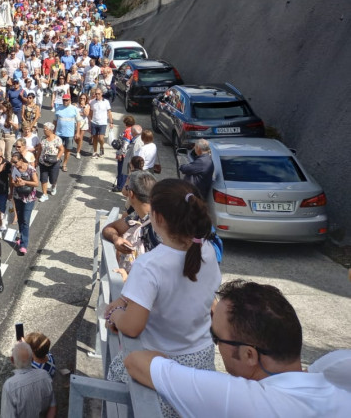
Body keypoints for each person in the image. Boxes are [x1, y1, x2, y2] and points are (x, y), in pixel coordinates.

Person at [124, 279, 351, 417]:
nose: (216, 344)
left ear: (249, 354)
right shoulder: (339, 390)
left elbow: (137, 362)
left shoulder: (240, 399)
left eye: (216, 337)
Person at [104, 179, 221, 418]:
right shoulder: (206, 249)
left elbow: (133, 327)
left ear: (156, 218)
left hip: (161, 366)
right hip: (201, 362)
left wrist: (115, 314)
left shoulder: (149, 265)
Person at [101, 171, 157, 275]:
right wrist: (116, 239)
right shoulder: (137, 215)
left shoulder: (158, 227)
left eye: (126, 187)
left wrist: (128, 280)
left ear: (131, 194)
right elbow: (109, 228)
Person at [0, 340, 56, 418]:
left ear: (12, 360)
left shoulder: (9, 386)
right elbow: (52, 406)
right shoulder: (45, 375)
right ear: (32, 359)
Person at [9, 152, 39, 256]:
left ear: (21, 160)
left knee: (25, 220)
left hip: (29, 198)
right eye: (13, 162)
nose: (14, 164)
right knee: (20, 219)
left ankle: (23, 245)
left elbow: (36, 183)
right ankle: (22, 237)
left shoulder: (30, 169)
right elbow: (12, 181)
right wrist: (15, 184)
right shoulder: (14, 169)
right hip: (18, 196)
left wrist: (25, 182)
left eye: (15, 162)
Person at [36, 122, 65, 201]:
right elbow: (39, 149)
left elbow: (62, 149)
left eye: (45, 129)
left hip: (54, 162)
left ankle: (54, 185)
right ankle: (44, 194)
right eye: (44, 129)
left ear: (50, 130)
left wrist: (57, 158)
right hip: (43, 161)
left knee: (53, 179)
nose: (44, 130)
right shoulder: (42, 138)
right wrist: (37, 159)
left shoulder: (57, 139)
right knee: (43, 179)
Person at [53, 94, 78, 172]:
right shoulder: (58, 109)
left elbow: (79, 121)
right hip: (59, 133)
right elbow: (55, 121)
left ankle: (64, 164)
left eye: (66, 100)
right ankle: (57, 162)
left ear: (70, 100)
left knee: (68, 150)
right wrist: (53, 132)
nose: (65, 101)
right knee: (57, 149)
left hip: (69, 134)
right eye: (64, 100)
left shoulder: (74, 109)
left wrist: (77, 132)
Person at [89, 88, 113, 157]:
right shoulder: (92, 102)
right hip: (94, 122)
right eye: (96, 94)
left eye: (98, 94)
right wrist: (90, 120)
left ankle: (102, 147)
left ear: (101, 94)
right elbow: (91, 111)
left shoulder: (106, 102)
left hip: (103, 123)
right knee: (95, 138)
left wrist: (111, 122)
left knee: (101, 138)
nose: (97, 95)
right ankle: (95, 151)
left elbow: (109, 112)